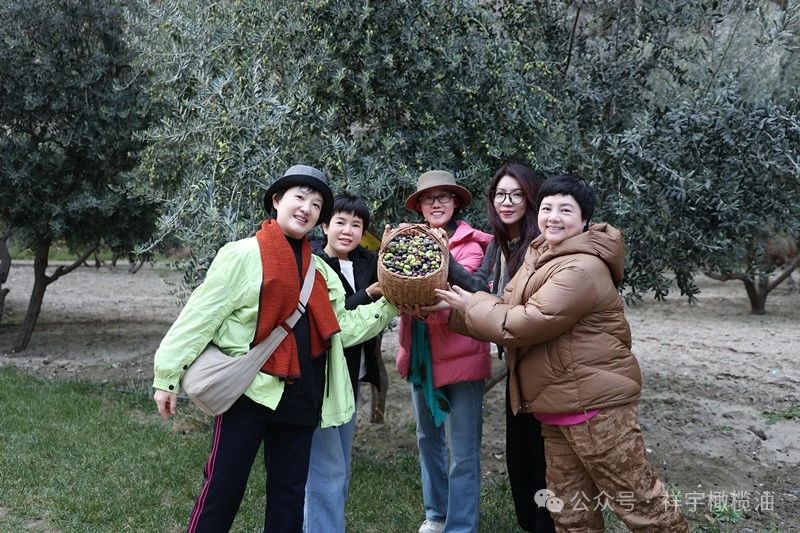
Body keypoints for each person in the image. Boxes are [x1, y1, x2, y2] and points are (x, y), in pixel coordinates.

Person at [436, 175, 689, 532]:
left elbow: (525, 322)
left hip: (595, 410)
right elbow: (505, 305)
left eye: (565, 210)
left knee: (642, 506)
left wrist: (469, 305)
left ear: (584, 220)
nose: (553, 217)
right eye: (547, 208)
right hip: (557, 409)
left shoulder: (582, 267)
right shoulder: (541, 254)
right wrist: (455, 307)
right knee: (570, 514)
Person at [152, 165, 397, 533]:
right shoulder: (243, 255)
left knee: (288, 497)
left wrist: (391, 303)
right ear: (277, 200)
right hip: (249, 395)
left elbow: (342, 328)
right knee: (223, 489)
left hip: (302, 398)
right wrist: (167, 376)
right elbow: (200, 316)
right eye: (300, 197)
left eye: (316, 204)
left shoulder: (319, 269)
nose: (307, 208)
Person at [442, 163, 555, 532]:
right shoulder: (500, 243)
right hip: (517, 364)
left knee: (541, 457)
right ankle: (533, 522)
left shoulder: (541, 246)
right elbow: (482, 288)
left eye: (517, 195)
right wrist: (447, 264)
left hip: (544, 366)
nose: (507, 202)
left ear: (531, 199)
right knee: (519, 456)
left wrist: (469, 305)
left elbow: (515, 309)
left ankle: (547, 524)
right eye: (500, 195)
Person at [395, 170, 492, 533]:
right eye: (428, 198)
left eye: (443, 197)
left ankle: (461, 526)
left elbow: (469, 294)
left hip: (461, 356)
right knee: (427, 439)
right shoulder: (409, 241)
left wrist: (438, 254)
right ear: (419, 206)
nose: (436, 204)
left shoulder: (472, 245)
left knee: (462, 449)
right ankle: (436, 514)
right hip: (422, 355)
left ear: (455, 203)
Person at [304, 193, 384, 532]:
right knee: (328, 468)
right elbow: (334, 317)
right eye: (340, 222)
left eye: (356, 225)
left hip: (352, 377)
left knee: (340, 465)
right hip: (323, 380)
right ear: (324, 226)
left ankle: (324, 523)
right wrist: (370, 294)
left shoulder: (366, 262)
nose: (347, 231)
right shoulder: (314, 263)